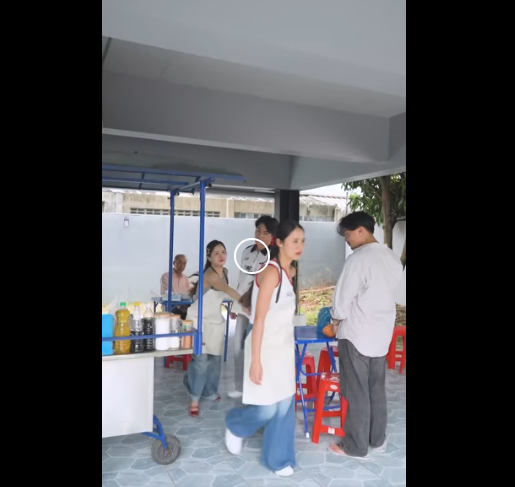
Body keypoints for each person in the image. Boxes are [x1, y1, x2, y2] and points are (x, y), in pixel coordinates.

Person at [225, 220, 305, 478]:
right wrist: (255, 361)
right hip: (264, 346)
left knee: (284, 405)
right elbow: (259, 319)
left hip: (283, 347)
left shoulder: (291, 271)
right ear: (278, 242)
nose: (300, 246)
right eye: (294, 241)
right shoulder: (271, 272)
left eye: (302, 241)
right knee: (268, 407)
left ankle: (278, 459)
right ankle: (235, 424)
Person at [328, 211, 403, 460]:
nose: (347, 240)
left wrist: (335, 321)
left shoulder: (358, 259)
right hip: (381, 335)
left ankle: (355, 446)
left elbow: (342, 298)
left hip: (356, 334)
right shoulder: (391, 257)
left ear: (361, 230)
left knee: (356, 391)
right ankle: (377, 440)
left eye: (348, 234)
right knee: (375, 390)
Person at [184, 241, 242, 417]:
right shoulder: (209, 275)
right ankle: (194, 397)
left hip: (215, 320)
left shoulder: (225, 272)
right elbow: (226, 289)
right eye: (216, 253)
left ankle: (209, 391)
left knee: (215, 359)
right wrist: (247, 303)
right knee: (201, 360)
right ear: (209, 257)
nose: (221, 255)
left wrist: (235, 308)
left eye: (223, 251)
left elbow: (224, 294)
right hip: (198, 319)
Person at [228, 216, 279, 399]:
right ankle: (239, 386)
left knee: (255, 349)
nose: (260, 235)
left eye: (265, 233)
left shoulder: (273, 257)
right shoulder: (247, 251)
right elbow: (241, 280)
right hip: (242, 308)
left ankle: (257, 386)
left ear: (272, 236)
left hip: (258, 310)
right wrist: (235, 305)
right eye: (258, 231)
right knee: (237, 348)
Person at [160, 254, 191, 319]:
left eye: (184, 263)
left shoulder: (185, 278)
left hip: (184, 309)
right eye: (179, 262)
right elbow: (168, 295)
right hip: (170, 309)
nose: (182, 265)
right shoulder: (166, 276)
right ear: (174, 263)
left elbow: (188, 295)